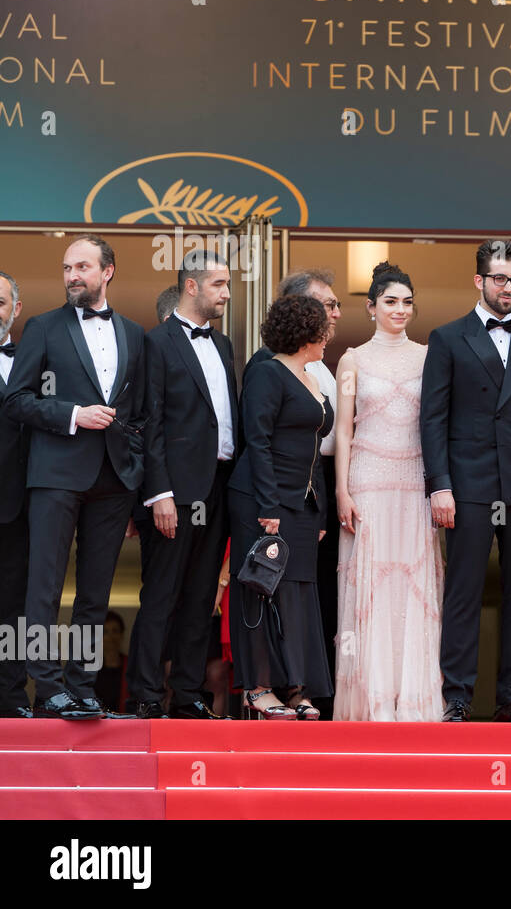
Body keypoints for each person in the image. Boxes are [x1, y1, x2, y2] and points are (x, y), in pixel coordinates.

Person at [4, 235, 148, 721]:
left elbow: (140, 416)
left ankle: (82, 687)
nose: (72, 276)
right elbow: (16, 400)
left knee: (96, 590)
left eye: (82, 267)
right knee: (44, 585)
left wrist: (136, 482)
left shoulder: (133, 333)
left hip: (113, 479)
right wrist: (72, 414)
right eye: (67, 268)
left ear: (107, 271)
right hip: (55, 474)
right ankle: (46, 687)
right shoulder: (43, 327)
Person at [422, 241, 511, 723]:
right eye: (499, 279)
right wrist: (439, 483)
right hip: (467, 483)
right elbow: (432, 417)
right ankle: (457, 697)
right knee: (463, 590)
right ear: (478, 281)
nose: (509, 288)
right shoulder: (447, 338)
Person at [333, 262, 447, 722]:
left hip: (415, 481)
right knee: (372, 590)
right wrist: (342, 491)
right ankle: (371, 705)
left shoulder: (430, 356)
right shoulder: (352, 359)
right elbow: (342, 431)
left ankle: (415, 706)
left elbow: (439, 425)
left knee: (414, 590)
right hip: (368, 482)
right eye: (390, 301)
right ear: (371, 307)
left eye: (406, 302)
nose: (400, 309)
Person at [129, 249, 238, 720]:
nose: (227, 293)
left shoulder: (225, 344)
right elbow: (147, 424)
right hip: (175, 489)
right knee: (162, 593)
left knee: (200, 595)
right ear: (192, 286)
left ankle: (189, 695)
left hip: (220, 484)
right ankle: (146, 694)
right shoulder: (155, 343)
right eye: (219, 284)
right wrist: (159, 494)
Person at [228, 295, 333, 720]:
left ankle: (296, 687)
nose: (329, 337)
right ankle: (258, 688)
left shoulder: (310, 376)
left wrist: (320, 510)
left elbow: (315, 450)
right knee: (261, 588)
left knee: (299, 592)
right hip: (261, 499)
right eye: (324, 330)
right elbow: (259, 441)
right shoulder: (268, 373)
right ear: (308, 334)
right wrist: (269, 505)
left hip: (303, 504)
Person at [0, 270, 30, 718]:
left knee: (16, 607)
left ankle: (9, 698)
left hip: (20, 506)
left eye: (1, 302)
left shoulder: (33, 360)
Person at [93, 610, 129, 712]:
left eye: (115, 631)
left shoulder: (131, 666)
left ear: (122, 634)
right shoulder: (91, 667)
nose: (110, 637)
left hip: (126, 722)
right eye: (106, 632)